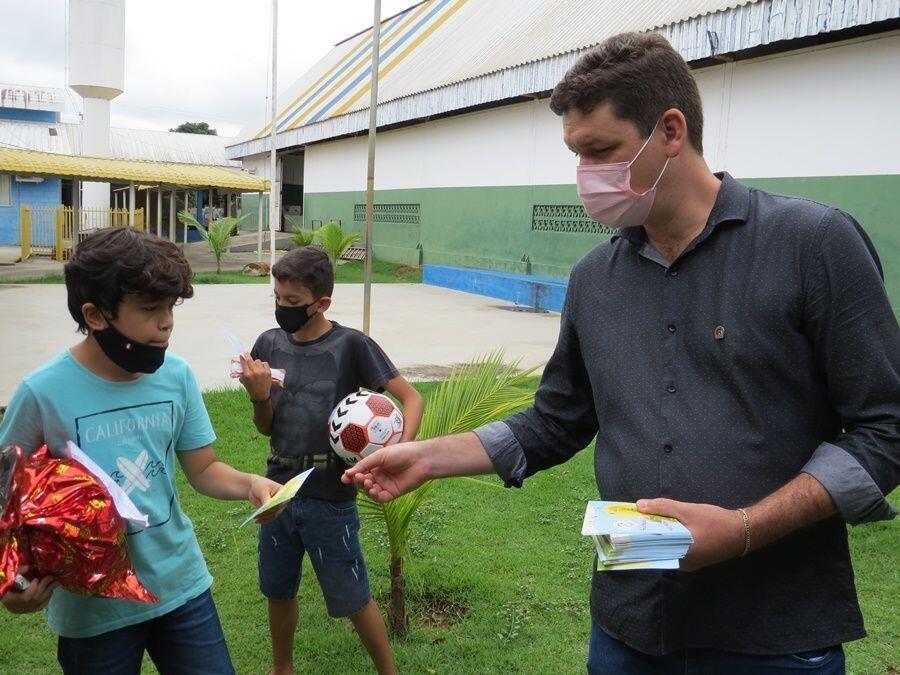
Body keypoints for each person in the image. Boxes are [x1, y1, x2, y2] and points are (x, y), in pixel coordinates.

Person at [343, 32, 900, 675]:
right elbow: (557, 420)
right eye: (576, 155)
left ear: (670, 131)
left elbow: (885, 429)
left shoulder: (811, 244)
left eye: (601, 151)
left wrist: (745, 527)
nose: (586, 176)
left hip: (775, 633)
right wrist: (431, 456)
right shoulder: (593, 279)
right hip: (630, 627)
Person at [0, 227, 285, 674]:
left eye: (171, 307)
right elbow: (4, 500)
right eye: (151, 309)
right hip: (93, 612)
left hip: (181, 586)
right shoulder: (42, 393)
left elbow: (203, 468)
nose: (167, 322)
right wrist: (11, 584)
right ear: (95, 315)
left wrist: (250, 483)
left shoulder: (176, 375)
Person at [238, 246, 424, 675]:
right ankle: (281, 668)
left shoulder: (352, 345)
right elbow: (266, 427)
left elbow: (411, 398)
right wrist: (259, 396)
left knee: (352, 595)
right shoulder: (269, 343)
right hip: (278, 489)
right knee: (278, 590)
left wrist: (398, 451)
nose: (282, 309)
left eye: (292, 303)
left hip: (330, 494)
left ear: (321, 303)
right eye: (277, 299)